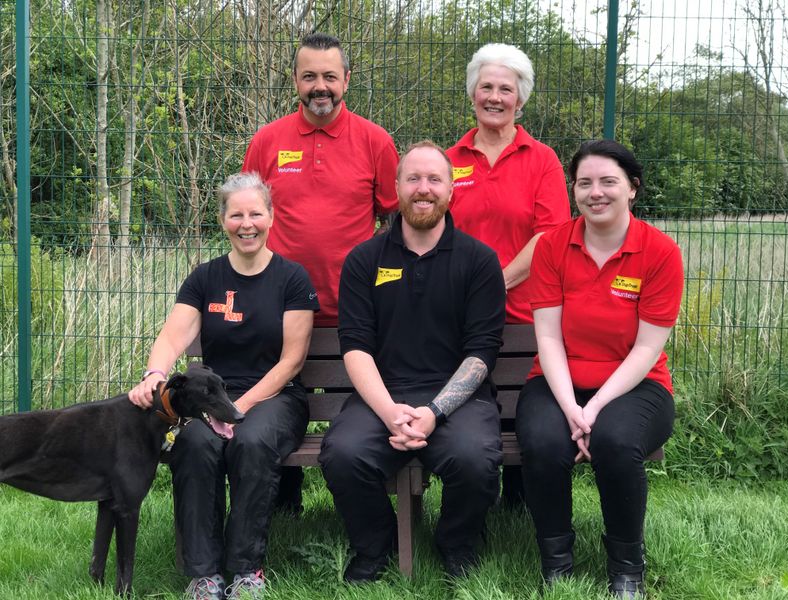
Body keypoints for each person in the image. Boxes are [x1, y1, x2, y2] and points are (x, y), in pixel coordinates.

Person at [319, 141, 506, 582]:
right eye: (414, 179)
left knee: (476, 458)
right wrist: (388, 412)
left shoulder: (480, 262)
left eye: (435, 179)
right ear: (397, 188)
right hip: (381, 395)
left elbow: (482, 352)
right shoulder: (365, 260)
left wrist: (433, 412)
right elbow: (356, 347)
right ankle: (374, 545)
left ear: (451, 189)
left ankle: (457, 543)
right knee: (343, 454)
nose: (424, 189)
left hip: (458, 400)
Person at [128, 173, 319, 600]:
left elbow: (292, 361)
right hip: (212, 395)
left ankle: (246, 569)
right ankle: (204, 573)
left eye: (255, 213)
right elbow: (172, 338)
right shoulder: (205, 278)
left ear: (271, 217)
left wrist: (238, 409)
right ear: (223, 220)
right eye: (236, 214)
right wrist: (154, 375)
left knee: (250, 441)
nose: (246, 223)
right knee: (194, 443)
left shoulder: (292, 279)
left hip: (275, 396)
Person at [515, 140, 683, 598]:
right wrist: (571, 406)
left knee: (616, 440)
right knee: (543, 442)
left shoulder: (660, 252)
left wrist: (596, 408)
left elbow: (648, 348)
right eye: (584, 183)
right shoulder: (552, 246)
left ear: (632, 188)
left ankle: (627, 568)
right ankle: (556, 563)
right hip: (557, 383)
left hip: (637, 385)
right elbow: (547, 336)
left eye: (608, 182)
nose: (595, 193)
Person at [242, 32, 399, 513]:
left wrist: (388, 286)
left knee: (355, 416)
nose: (320, 86)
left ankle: (364, 508)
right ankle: (283, 505)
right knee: (280, 406)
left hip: (353, 311)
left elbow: (394, 221)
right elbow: (248, 215)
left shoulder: (375, 141)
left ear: (346, 79)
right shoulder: (267, 141)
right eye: (309, 76)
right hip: (280, 310)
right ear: (295, 81)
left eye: (330, 76)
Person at [447, 42, 571, 506]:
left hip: (524, 309)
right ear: (472, 94)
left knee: (524, 406)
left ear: (521, 99)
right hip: (459, 313)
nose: (495, 97)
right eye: (486, 87)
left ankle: (520, 504)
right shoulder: (449, 159)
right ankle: (478, 498)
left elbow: (550, 235)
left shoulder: (542, 160)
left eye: (506, 89)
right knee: (473, 406)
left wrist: (492, 286)